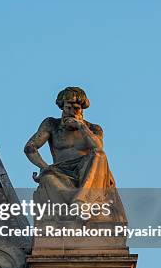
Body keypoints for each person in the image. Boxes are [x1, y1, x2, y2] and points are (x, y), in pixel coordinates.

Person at [24, 87, 125, 221]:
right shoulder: (52, 124)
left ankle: (81, 202)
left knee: (99, 155)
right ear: (62, 107)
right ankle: (72, 211)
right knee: (48, 177)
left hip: (86, 170)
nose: (71, 112)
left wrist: (81, 126)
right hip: (60, 170)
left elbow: (98, 147)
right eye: (68, 108)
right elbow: (30, 147)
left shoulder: (93, 128)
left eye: (76, 108)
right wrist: (44, 167)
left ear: (82, 109)